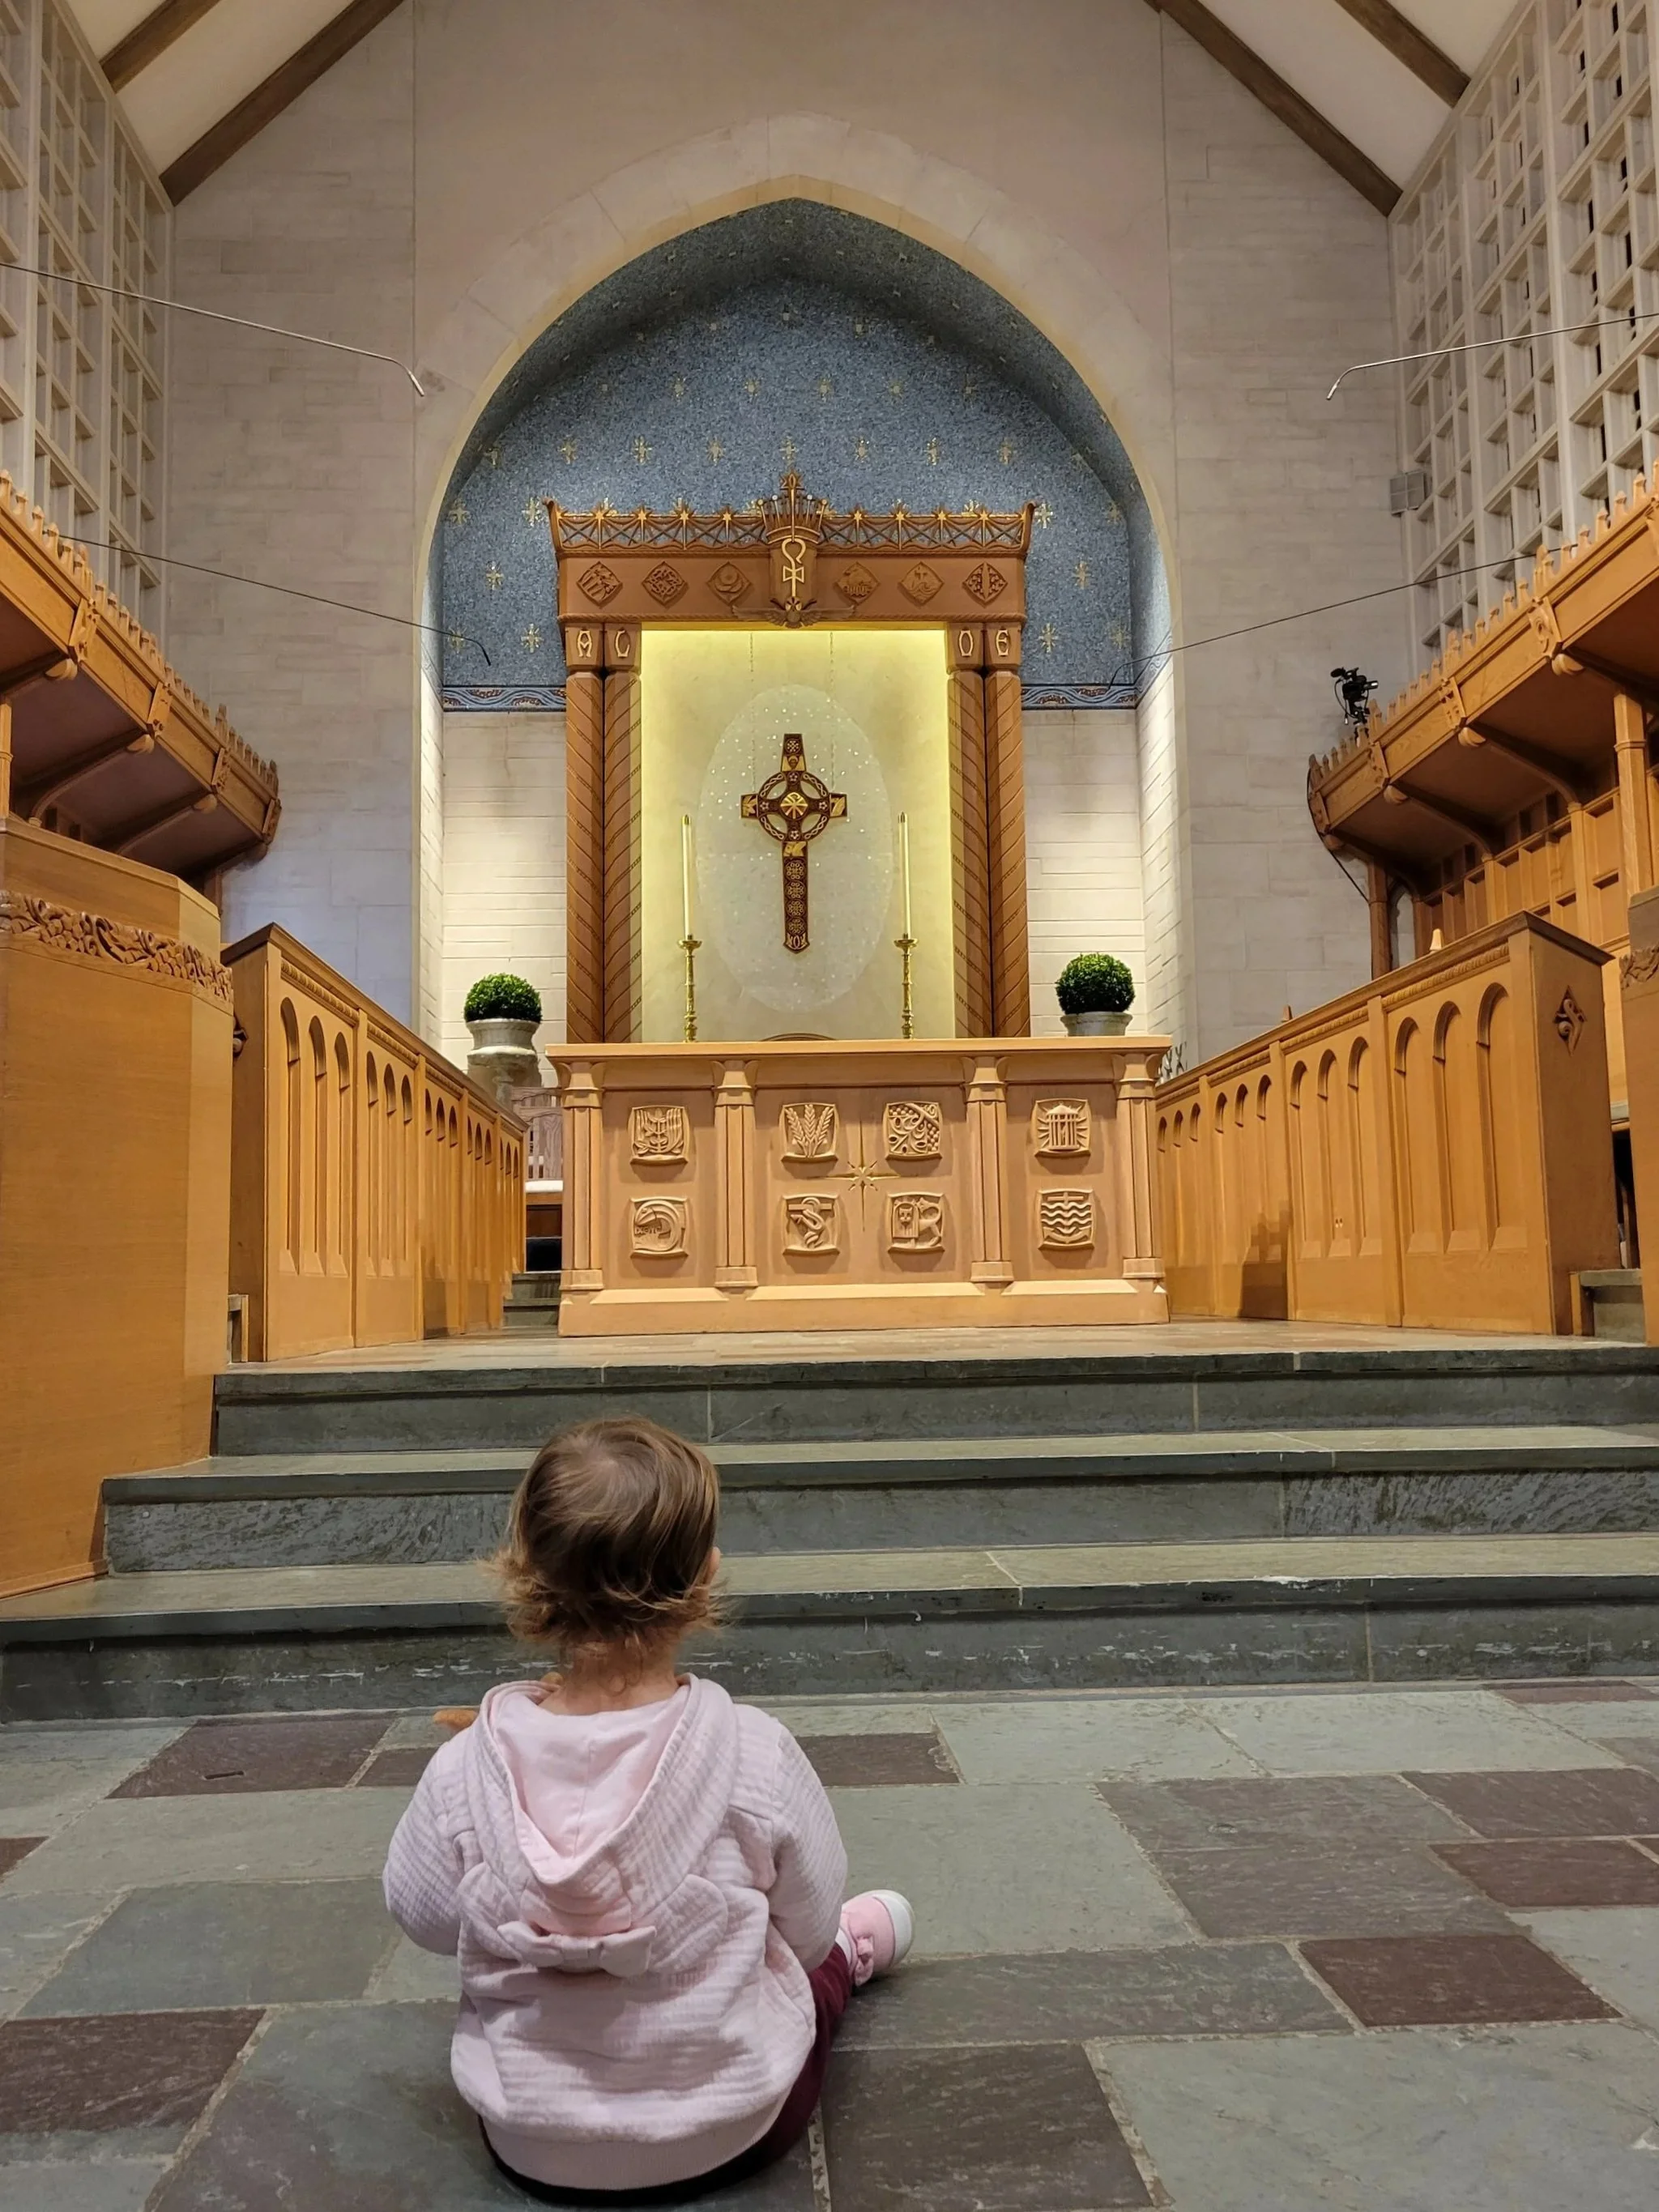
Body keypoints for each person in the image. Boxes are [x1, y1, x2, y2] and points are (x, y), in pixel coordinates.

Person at [383, 1415, 914, 2204]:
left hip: (531, 2138)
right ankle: (858, 1951)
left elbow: (421, 1916)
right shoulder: (752, 1753)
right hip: (732, 2125)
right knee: (820, 1969)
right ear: (706, 1573)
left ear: (528, 1570)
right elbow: (800, 1930)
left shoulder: (465, 1770)